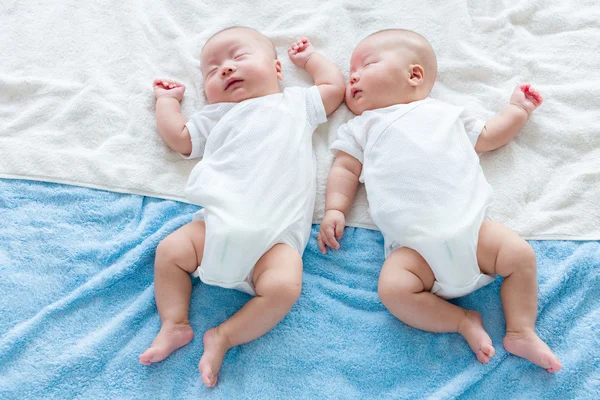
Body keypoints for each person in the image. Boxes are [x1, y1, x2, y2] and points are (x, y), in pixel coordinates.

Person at [318, 29, 561, 372]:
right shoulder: (361, 128)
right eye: (349, 73)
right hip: (415, 253)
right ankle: (461, 321)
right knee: (392, 290)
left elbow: (490, 136)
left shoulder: (446, 113)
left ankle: (521, 330)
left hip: (474, 233)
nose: (352, 75)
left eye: (367, 64)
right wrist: (334, 209)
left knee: (520, 255)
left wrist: (517, 110)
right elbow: (344, 168)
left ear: (414, 75)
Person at [139, 27, 345, 386]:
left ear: (277, 70)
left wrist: (310, 59)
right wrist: (167, 103)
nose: (226, 68)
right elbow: (181, 140)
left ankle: (225, 336)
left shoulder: (295, 103)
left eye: (239, 57)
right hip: (216, 223)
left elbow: (334, 89)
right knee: (170, 251)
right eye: (212, 69)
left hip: (275, 240)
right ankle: (174, 323)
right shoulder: (216, 116)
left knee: (284, 288)